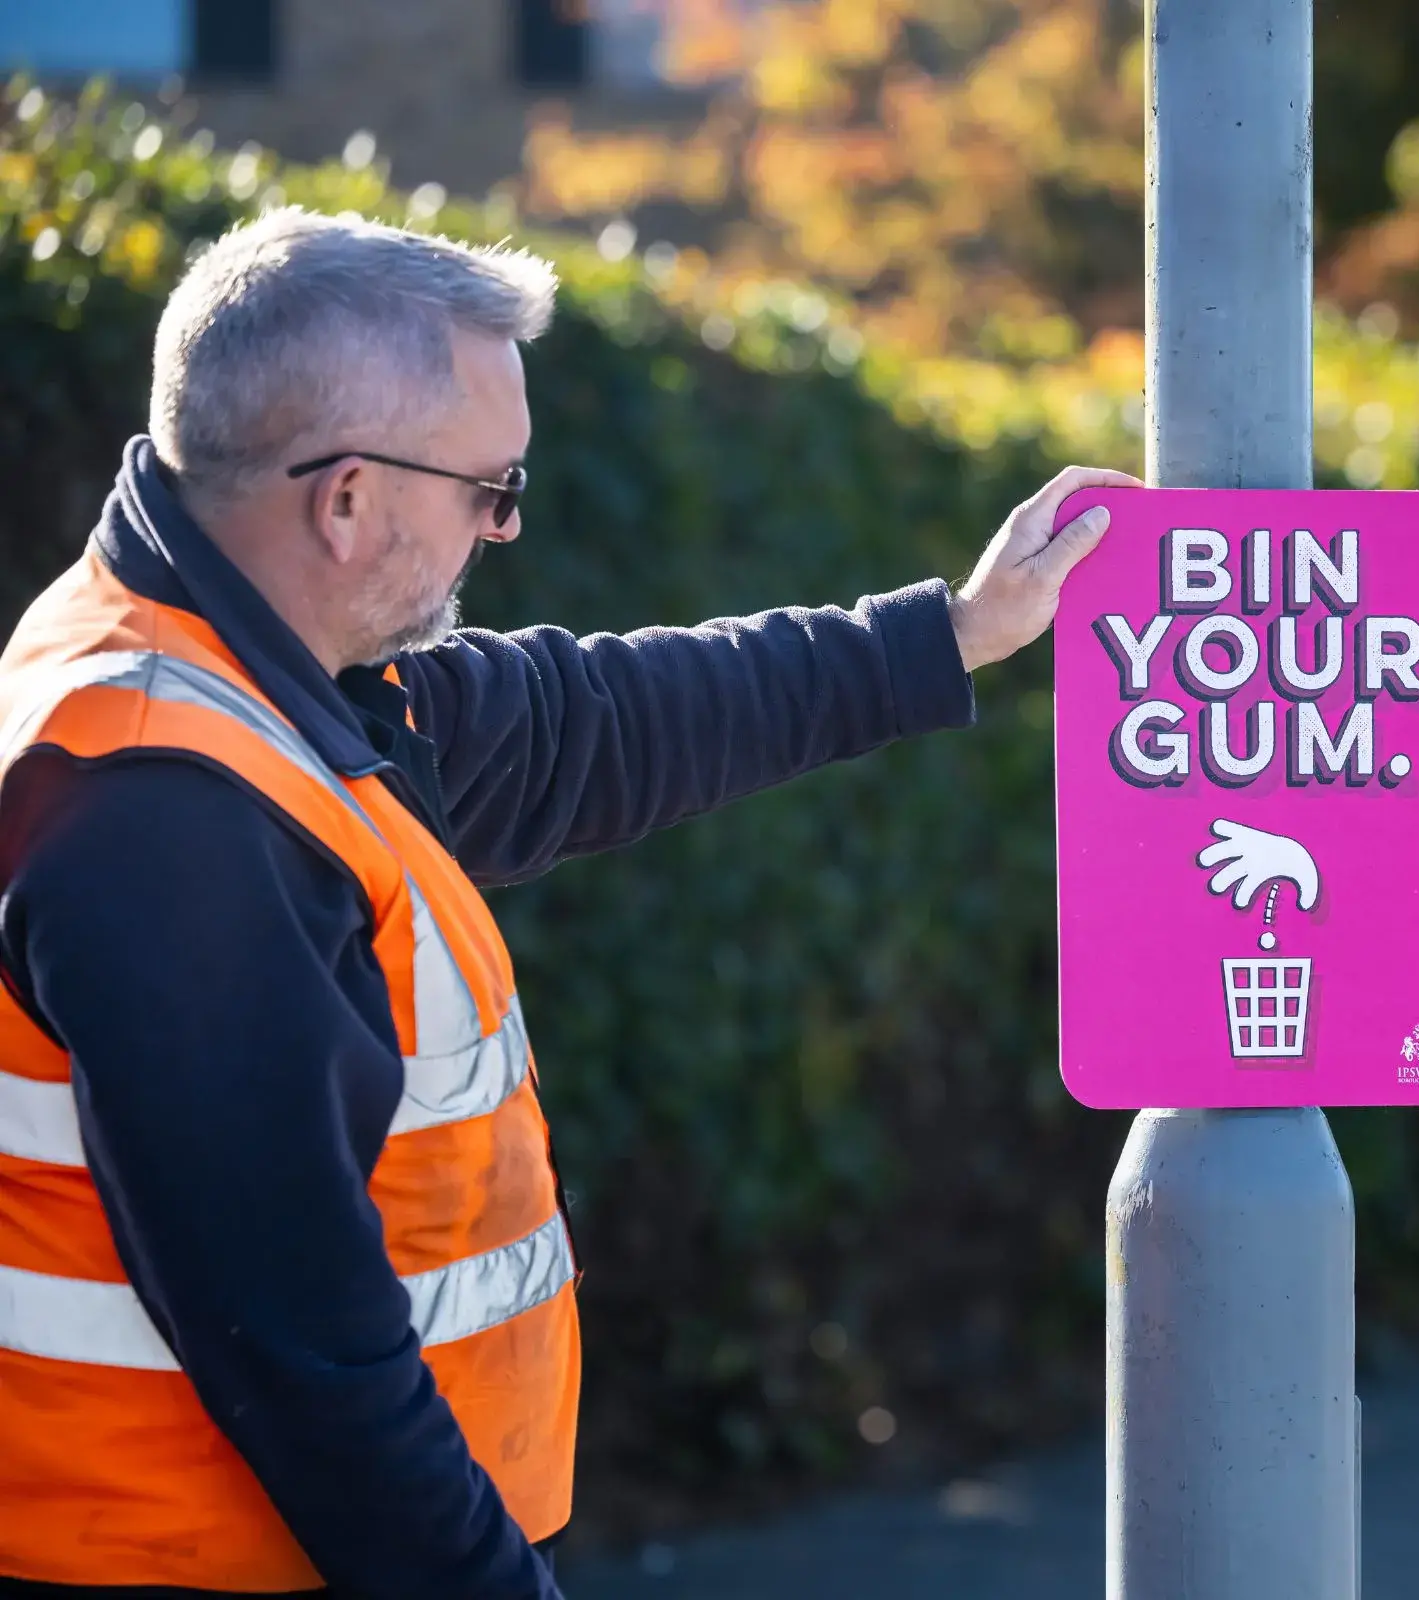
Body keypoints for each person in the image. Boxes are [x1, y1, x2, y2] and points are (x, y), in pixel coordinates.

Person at [0, 207, 1132, 1598]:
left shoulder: (249, 670)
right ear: (345, 499)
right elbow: (297, 1347)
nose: (505, 527)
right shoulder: (169, 814)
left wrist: (950, 633)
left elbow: (599, 712)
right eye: (491, 486)